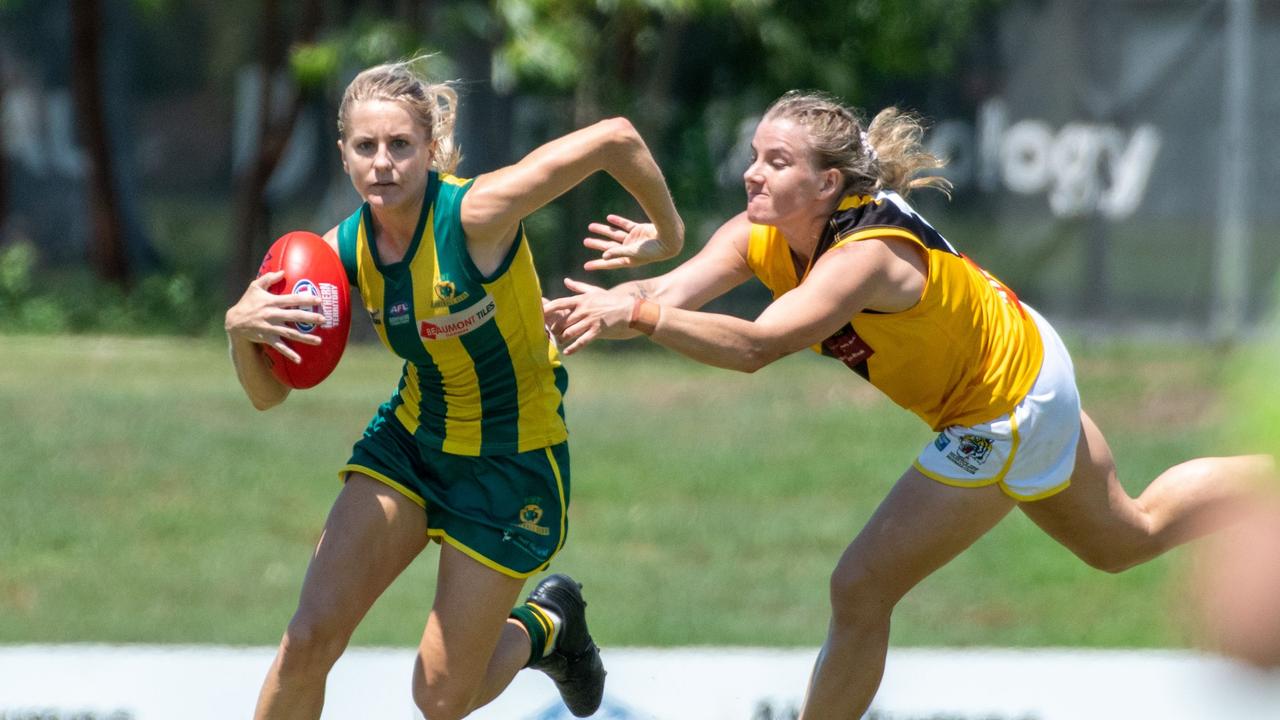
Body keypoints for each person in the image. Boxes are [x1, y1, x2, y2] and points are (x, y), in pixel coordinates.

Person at [543, 89, 1276, 719]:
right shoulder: (759, 234)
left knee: (859, 588)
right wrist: (589, 309)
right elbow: (667, 297)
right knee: (1126, 537)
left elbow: (754, 348)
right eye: (755, 154)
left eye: (777, 161)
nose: (751, 174)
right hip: (1019, 355)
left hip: (1002, 404)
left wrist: (635, 316)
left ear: (829, 184)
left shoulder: (864, 258)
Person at [224, 57, 683, 720]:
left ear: (431, 150)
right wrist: (241, 332)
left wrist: (666, 237)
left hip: (511, 462)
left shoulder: (477, 214)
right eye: (366, 147)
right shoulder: (338, 253)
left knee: (439, 698)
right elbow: (270, 395)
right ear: (344, 156)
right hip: (411, 444)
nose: (383, 163)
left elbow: (615, 136)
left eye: (400, 145)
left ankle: (546, 625)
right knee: (306, 639)